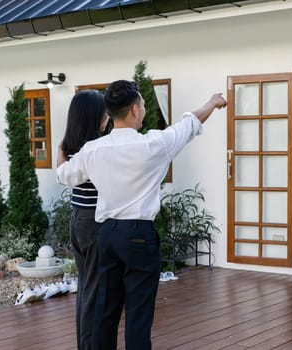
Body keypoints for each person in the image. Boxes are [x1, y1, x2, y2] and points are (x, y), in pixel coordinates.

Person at [56, 80, 227, 350]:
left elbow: (64, 174)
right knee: (138, 315)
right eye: (145, 106)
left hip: (107, 235)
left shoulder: (93, 150)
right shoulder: (153, 144)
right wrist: (213, 103)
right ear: (135, 110)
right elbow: (189, 124)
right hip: (138, 236)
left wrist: (61, 148)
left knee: (105, 312)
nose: (145, 111)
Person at [58, 90, 110, 350]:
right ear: (96, 117)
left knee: (87, 285)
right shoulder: (97, 148)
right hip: (94, 223)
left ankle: (86, 344)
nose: (108, 117)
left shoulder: (71, 146)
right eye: (105, 112)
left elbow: (61, 174)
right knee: (94, 290)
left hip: (78, 218)